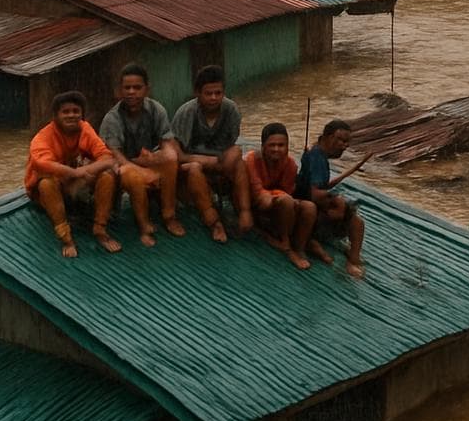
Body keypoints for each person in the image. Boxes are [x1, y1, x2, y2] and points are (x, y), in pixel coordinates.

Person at [25, 92, 121, 258]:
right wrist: (76, 172)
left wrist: (86, 171)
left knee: (107, 175)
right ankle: (66, 238)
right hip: (48, 190)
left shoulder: (84, 128)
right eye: (66, 112)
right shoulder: (43, 137)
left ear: (82, 114)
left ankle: (100, 228)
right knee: (46, 183)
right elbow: (42, 164)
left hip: (74, 182)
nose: (71, 115)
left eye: (76, 111)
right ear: (55, 116)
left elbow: (106, 157)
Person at [98, 62, 184, 247]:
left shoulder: (156, 109)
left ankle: (169, 216)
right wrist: (142, 170)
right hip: (121, 167)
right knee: (132, 175)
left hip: (145, 158)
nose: (131, 92)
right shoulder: (112, 118)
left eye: (137, 87)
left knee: (170, 158)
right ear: (119, 91)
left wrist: (160, 157)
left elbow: (167, 142)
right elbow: (115, 155)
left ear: (146, 89)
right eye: (127, 88)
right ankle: (144, 226)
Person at [172, 65, 252, 243]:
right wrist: (211, 161)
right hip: (193, 166)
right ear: (197, 93)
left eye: (218, 93)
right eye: (208, 93)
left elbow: (230, 148)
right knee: (193, 168)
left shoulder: (231, 110)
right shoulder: (186, 113)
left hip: (221, 163)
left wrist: (220, 161)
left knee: (239, 159)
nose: (214, 98)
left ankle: (245, 212)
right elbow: (178, 155)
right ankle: (214, 222)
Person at [295, 119, 374, 279]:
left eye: (347, 142)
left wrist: (348, 173)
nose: (345, 146)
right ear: (329, 137)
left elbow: (321, 186)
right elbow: (316, 194)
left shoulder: (318, 154)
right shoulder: (316, 157)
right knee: (356, 223)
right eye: (341, 141)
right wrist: (337, 199)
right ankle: (353, 260)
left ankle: (325, 246)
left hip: (312, 203)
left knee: (350, 215)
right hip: (308, 208)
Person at [246, 122, 317, 270]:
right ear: (263, 146)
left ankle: (299, 247)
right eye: (272, 145)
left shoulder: (290, 164)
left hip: (275, 200)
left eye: (281, 145)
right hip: (254, 202)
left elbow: (287, 190)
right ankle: (285, 244)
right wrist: (278, 196)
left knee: (309, 207)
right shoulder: (251, 160)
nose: (276, 149)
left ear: (287, 146)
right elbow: (258, 192)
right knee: (285, 200)